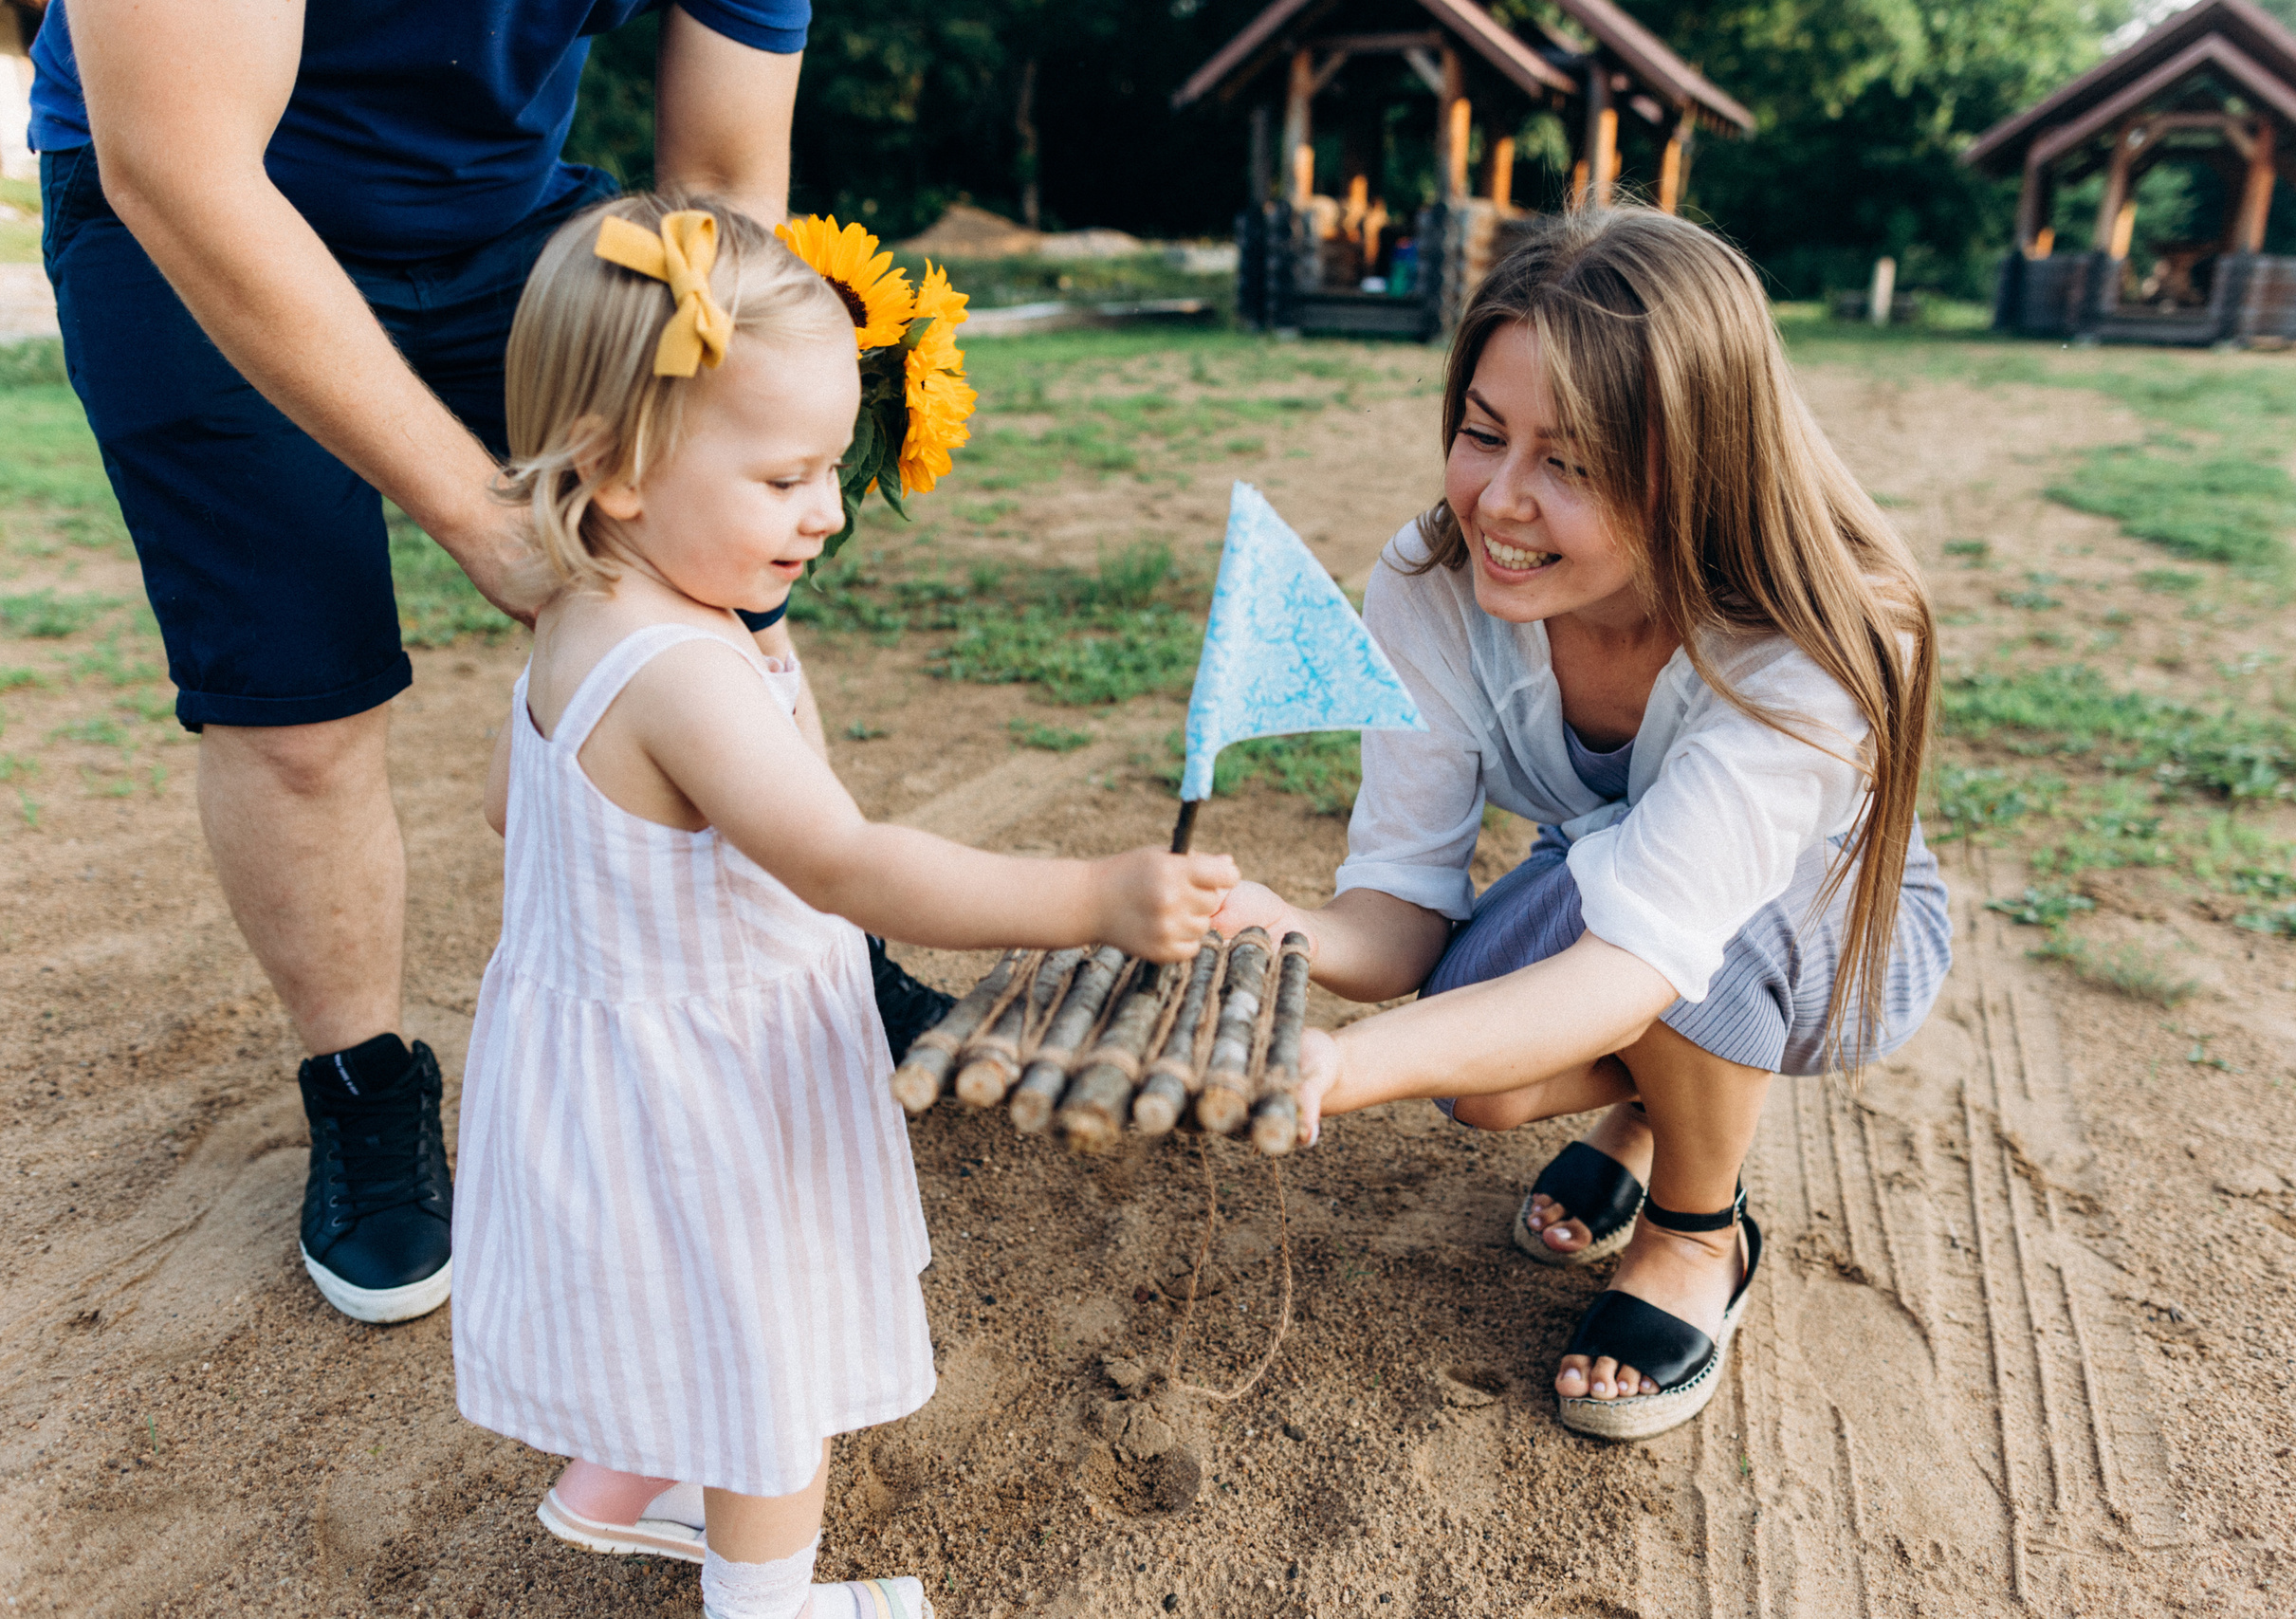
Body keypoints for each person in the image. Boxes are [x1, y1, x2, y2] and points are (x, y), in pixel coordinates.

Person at [28, 0, 952, 1327]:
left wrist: (714, 462)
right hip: (190, 205)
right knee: (301, 699)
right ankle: (365, 1088)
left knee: (699, 572)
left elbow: (722, 188)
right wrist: (478, 512)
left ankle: (815, 955)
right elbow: (179, 161)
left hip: (497, 218)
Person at [454, 193, 1237, 1612]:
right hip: (714, 1094)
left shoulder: (582, 615)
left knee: (675, 1311)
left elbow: (514, 808)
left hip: (612, 1067)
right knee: (773, 1370)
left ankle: (623, 1478)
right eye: (783, 477)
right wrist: (1094, 895)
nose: (825, 509)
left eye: (828, 469)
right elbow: (844, 863)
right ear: (617, 469)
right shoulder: (685, 672)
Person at [1224, 207, 1952, 1443]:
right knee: (1485, 1093)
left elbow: (1636, 962)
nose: (1500, 502)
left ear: (1700, 466)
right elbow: (1402, 911)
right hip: (1623, 881)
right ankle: (1658, 1102)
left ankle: (1694, 1228)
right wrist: (1266, 929)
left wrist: (1342, 1069)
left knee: (1669, 983)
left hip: (1828, 923)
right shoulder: (1429, 583)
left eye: (1570, 463)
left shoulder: (1806, 654)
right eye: (1480, 433)